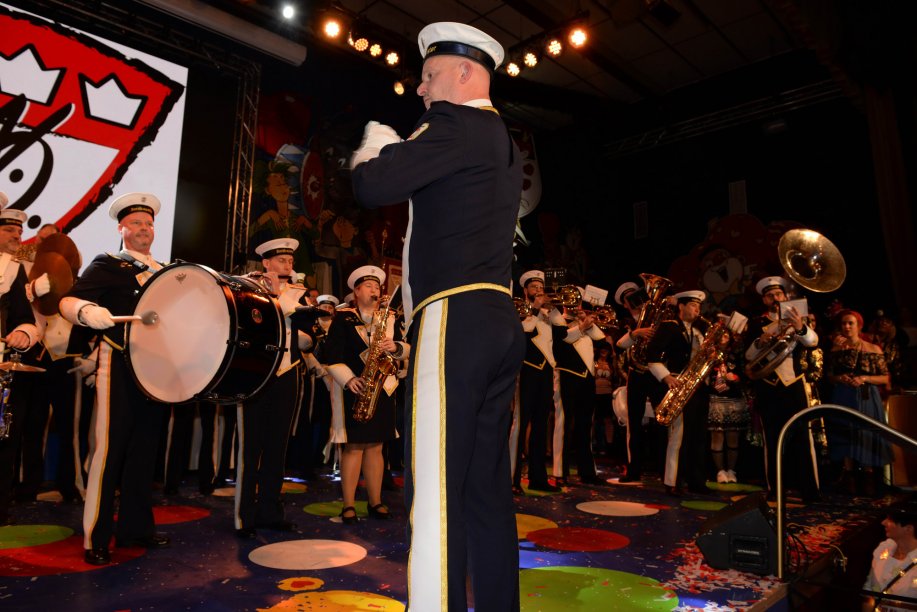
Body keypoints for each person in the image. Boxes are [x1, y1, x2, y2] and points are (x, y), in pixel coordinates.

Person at [350, 21, 525, 611]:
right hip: (495, 316)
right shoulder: (501, 139)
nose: (421, 89)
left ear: (465, 73)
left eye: (429, 75)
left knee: (433, 491)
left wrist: (376, 144)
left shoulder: (455, 122)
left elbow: (374, 184)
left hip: (453, 313)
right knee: (484, 492)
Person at [59, 192, 170, 565]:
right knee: (108, 451)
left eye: (149, 223)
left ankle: (136, 528)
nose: (144, 229)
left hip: (155, 369)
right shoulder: (107, 264)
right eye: (136, 223)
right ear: (121, 228)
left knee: (144, 451)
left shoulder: (165, 272)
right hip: (118, 362)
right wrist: (87, 311)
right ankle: (96, 536)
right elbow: (68, 301)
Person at [234, 238, 312, 538]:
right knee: (250, 448)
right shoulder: (248, 288)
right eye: (281, 261)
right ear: (266, 263)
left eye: (290, 261)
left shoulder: (298, 293)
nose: (288, 265)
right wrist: (276, 296)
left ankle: (270, 511)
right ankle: (244, 517)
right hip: (256, 372)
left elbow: (310, 335)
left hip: (288, 372)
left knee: (278, 447)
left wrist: (307, 337)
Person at [323, 266, 408, 524]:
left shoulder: (389, 317)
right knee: (354, 447)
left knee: (377, 446)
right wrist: (349, 379)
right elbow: (331, 355)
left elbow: (407, 348)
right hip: (356, 387)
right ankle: (348, 505)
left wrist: (396, 347)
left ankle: (375, 501)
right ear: (356, 291)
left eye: (377, 286)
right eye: (368, 286)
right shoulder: (343, 318)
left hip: (383, 388)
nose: (375, 290)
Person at [744, 276, 820, 501]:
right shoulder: (757, 323)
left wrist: (800, 327)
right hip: (768, 387)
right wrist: (761, 341)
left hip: (794, 384)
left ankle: (810, 491)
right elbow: (748, 356)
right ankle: (776, 490)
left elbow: (813, 342)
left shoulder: (798, 318)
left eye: (778, 294)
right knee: (772, 439)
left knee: (803, 438)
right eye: (770, 296)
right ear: (764, 300)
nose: (775, 298)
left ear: (786, 296)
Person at [0, 196, 45, 525]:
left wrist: (23, 333)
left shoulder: (12, 269)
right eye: (9, 229)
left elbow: (23, 318)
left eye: (20, 231)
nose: (17, 236)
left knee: (5, 439)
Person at [645, 290, 711, 496]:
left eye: (699, 306)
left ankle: (696, 481)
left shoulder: (699, 331)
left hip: (698, 388)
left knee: (697, 436)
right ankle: (672, 481)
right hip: (677, 385)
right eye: (693, 305)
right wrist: (666, 377)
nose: (697, 310)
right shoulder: (669, 326)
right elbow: (651, 355)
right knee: (678, 436)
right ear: (681, 307)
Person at [827, 309, 891, 497]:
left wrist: (864, 378)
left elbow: (885, 378)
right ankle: (849, 479)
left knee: (867, 434)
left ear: (859, 325)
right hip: (843, 394)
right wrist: (840, 378)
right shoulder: (836, 349)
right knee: (845, 433)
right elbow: (829, 376)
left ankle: (870, 479)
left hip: (866, 396)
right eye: (844, 323)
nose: (847, 327)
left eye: (851, 323)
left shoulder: (873, 348)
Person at [513, 270, 563, 493]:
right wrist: (534, 308)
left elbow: (562, 333)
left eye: (541, 287)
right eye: (534, 287)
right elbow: (523, 331)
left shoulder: (547, 313)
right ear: (526, 290)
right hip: (526, 370)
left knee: (541, 427)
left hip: (545, 372)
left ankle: (538, 478)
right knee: (520, 425)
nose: (539, 291)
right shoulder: (520, 308)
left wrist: (552, 308)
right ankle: (512, 479)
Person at [615, 280, 664, 484]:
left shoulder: (658, 317)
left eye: (637, 296)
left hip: (657, 372)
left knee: (662, 421)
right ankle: (633, 469)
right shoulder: (625, 322)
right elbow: (618, 345)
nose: (635, 301)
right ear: (625, 304)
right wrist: (635, 333)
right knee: (634, 423)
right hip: (636, 374)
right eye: (630, 299)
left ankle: (664, 470)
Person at [863, 508, 917, 612]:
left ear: (908, 529)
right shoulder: (883, 551)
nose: (883, 522)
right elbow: (869, 594)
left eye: (891, 520)